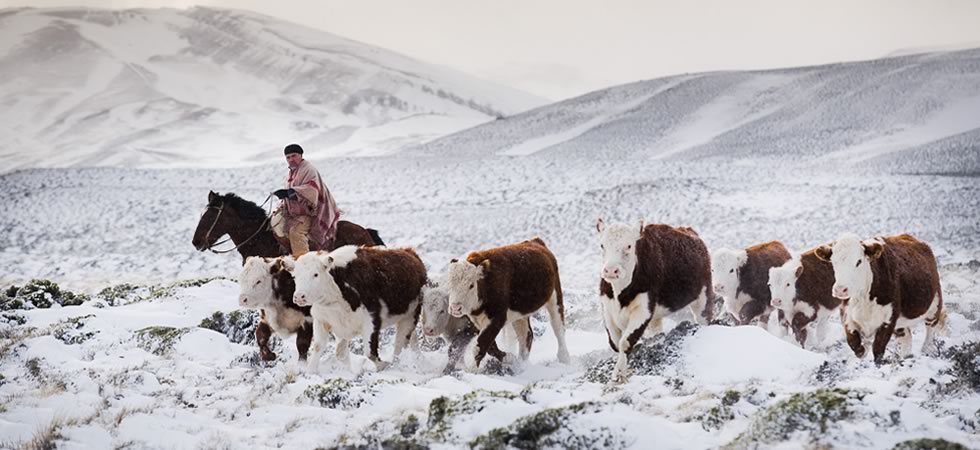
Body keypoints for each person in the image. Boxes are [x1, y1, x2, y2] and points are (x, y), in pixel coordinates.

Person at [272, 144, 340, 257]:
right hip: (295, 213)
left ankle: (303, 261)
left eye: (294, 156)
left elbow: (311, 191)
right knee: (275, 224)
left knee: (296, 232)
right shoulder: (293, 172)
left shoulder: (308, 169)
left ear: (301, 155)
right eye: (288, 157)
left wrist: (289, 193)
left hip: (310, 212)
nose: (291, 160)